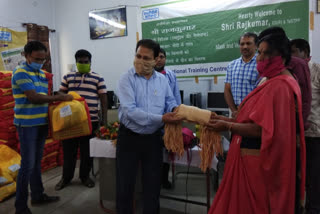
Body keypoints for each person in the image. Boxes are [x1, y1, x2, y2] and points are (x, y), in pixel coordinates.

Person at [207, 32, 306, 214]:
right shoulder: (271, 80)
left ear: (280, 57)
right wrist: (226, 119)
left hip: (256, 163)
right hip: (248, 156)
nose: (258, 59)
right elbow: (251, 118)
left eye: (262, 53)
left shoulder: (280, 86)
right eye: (258, 52)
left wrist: (228, 126)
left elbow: (263, 130)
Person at [116, 39, 181, 214]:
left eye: (146, 57)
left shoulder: (161, 80)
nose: (141, 60)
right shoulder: (126, 79)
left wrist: (175, 109)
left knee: (152, 185)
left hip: (152, 140)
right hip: (129, 138)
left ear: (155, 60)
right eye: (138, 56)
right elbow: (130, 111)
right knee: (125, 185)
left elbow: (170, 100)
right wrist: (162, 118)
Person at [12, 41, 73, 214]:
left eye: (43, 59)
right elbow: (34, 97)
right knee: (27, 165)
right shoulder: (20, 72)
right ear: (26, 55)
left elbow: (45, 96)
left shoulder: (41, 73)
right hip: (27, 125)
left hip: (41, 123)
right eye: (37, 58)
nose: (40, 61)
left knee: (36, 163)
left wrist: (62, 96)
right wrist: (59, 99)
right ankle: (20, 207)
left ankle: (38, 196)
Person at [55, 49, 108, 190]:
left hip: (91, 121)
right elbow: (60, 94)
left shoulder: (98, 78)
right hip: (70, 121)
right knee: (69, 151)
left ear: (90, 62)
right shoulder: (68, 77)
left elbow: (103, 100)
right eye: (80, 62)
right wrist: (62, 96)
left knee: (87, 152)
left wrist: (104, 120)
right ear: (76, 62)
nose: (83, 64)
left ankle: (85, 177)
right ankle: (66, 178)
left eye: (86, 62)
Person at [257, 27, 311, 130]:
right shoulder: (268, 70)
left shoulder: (296, 65)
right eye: (259, 51)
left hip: (290, 128)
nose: (260, 57)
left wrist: (298, 128)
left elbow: (304, 98)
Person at [291, 38, 320, 214]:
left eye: (293, 52)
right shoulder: (289, 73)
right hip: (292, 136)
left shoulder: (316, 70)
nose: (290, 57)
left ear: (305, 52)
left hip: (313, 134)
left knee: (314, 178)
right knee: (295, 178)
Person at [155, 48, 181, 189]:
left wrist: (177, 113)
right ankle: (153, 181)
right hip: (154, 121)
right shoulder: (147, 76)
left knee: (167, 151)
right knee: (154, 153)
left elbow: (175, 96)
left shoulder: (171, 75)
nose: (159, 59)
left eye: (162, 56)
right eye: (157, 57)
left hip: (169, 121)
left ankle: (164, 179)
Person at [224, 32, 259, 118]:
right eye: (242, 44)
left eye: (248, 43)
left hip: (255, 112)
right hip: (235, 112)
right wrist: (234, 111)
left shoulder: (260, 64)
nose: (245, 46)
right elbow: (227, 90)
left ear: (256, 46)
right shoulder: (232, 65)